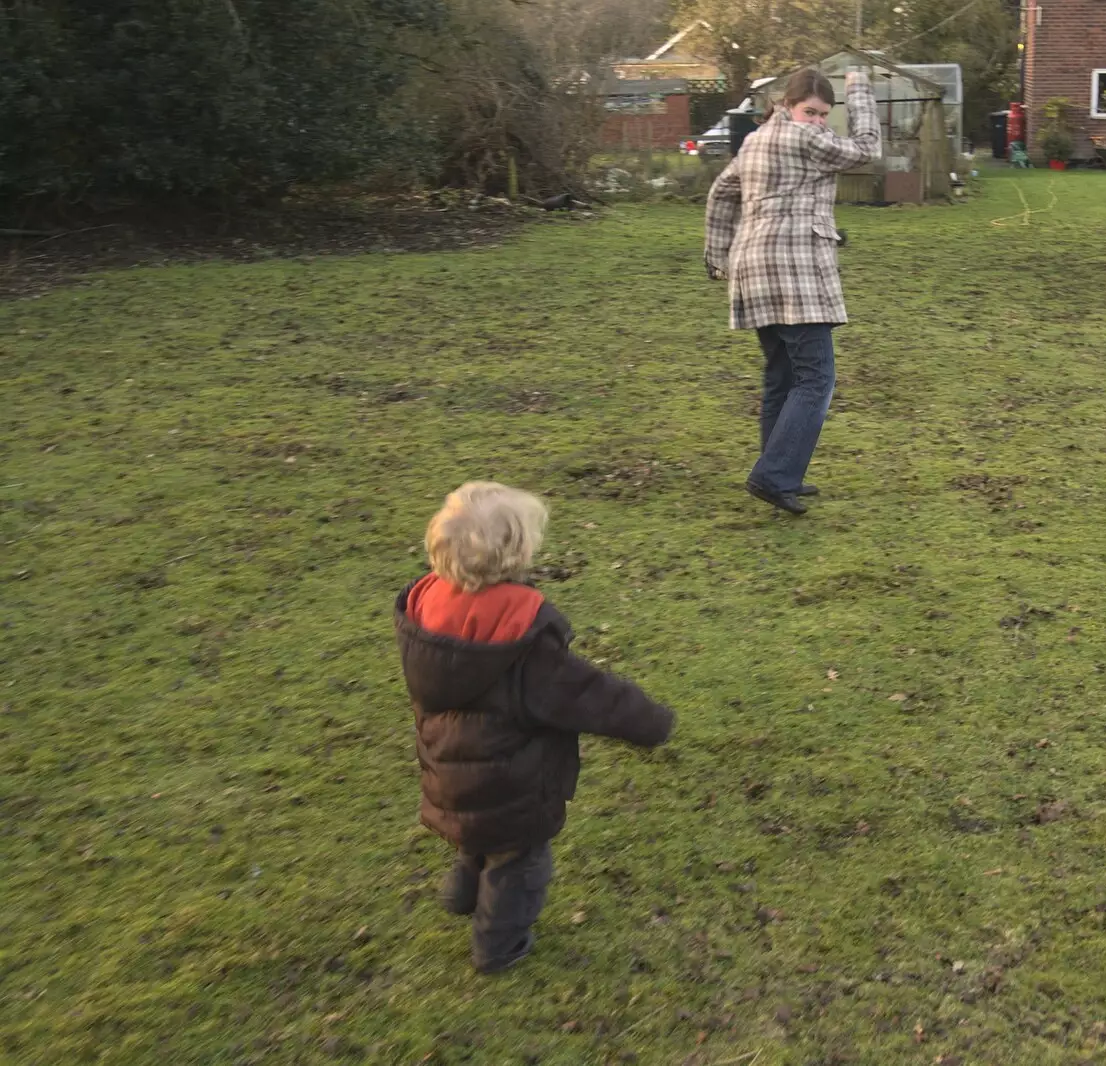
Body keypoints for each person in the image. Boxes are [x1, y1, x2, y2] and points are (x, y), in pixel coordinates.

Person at [393, 481, 675, 974]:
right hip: (514, 782)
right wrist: (649, 721)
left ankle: (462, 894)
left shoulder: (428, 610)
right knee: (519, 864)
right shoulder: (521, 642)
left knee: (477, 834)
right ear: (516, 554)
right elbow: (589, 694)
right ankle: (498, 947)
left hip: (447, 768)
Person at [704, 66, 882, 515]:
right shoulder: (802, 139)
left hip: (754, 271)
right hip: (795, 271)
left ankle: (781, 471)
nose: (818, 122)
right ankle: (775, 474)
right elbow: (868, 150)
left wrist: (719, 255)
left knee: (781, 375)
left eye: (825, 115)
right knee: (816, 378)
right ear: (787, 105)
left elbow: (721, 193)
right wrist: (858, 87)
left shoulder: (753, 141)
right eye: (811, 111)